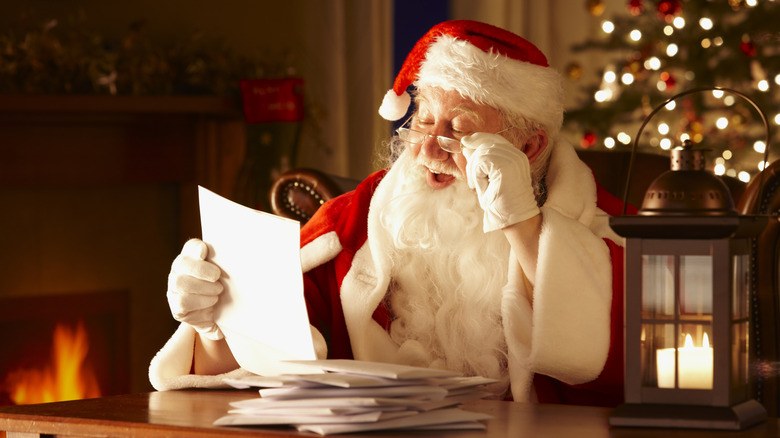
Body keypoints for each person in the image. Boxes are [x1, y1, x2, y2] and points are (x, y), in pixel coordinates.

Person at [149, 19, 627, 406]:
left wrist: (523, 223)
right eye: (422, 122)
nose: (429, 150)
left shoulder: (607, 227)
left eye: (459, 131)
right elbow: (263, 358)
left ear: (529, 145)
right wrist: (214, 323)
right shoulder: (354, 220)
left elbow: (633, 365)